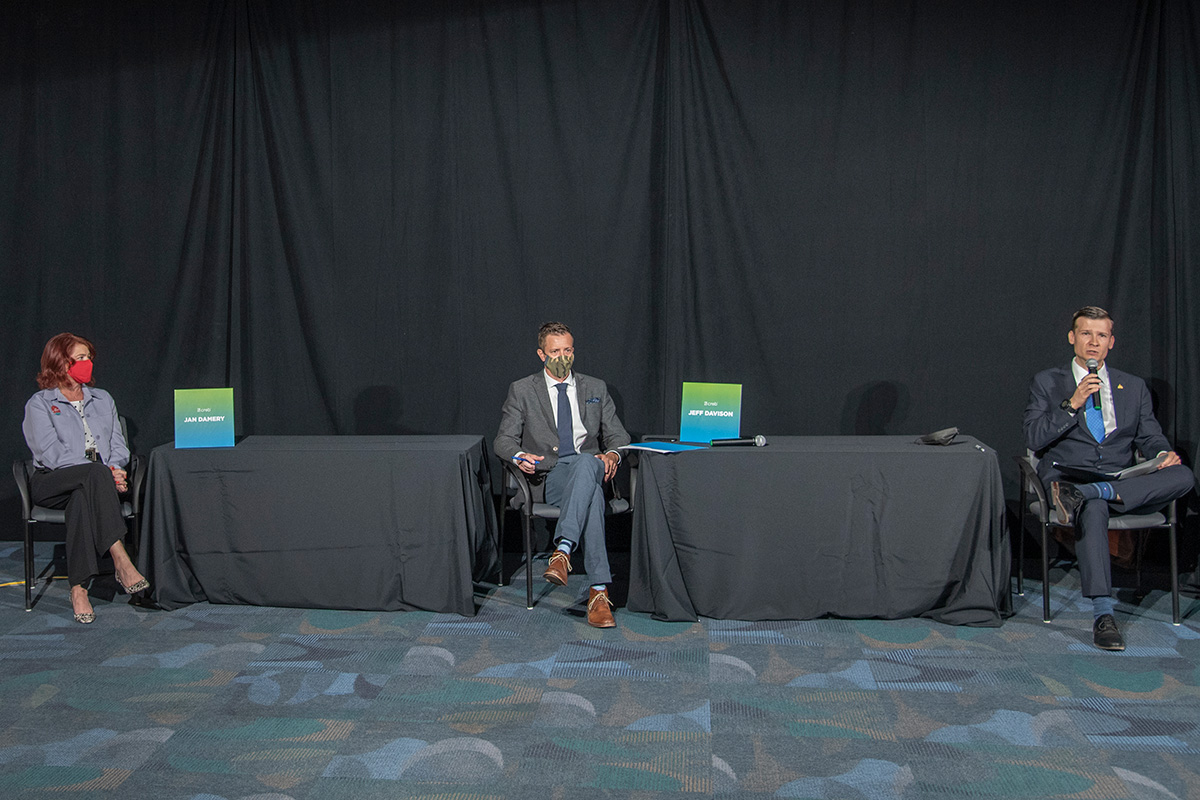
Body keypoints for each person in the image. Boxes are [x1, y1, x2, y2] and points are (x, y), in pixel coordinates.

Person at [1024, 306, 1192, 651]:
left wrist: (1162, 454)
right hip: (1068, 474)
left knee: (1183, 475)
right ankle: (1103, 613)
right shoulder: (1048, 381)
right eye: (1086, 334)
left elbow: (1150, 436)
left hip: (1119, 478)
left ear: (1111, 342)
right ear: (1073, 338)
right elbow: (1034, 438)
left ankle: (1091, 491)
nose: (1093, 342)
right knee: (1094, 508)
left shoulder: (1132, 386)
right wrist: (1072, 403)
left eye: (1101, 336)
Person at [494, 322, 631, 628]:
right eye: (555, 351)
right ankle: (598, 594)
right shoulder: (523, 390)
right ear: (542, 354)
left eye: (567, 350)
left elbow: (619, 437)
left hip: (592, 466)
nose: (563, 356)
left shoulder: (595, 388)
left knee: (586, 463)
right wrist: (519, 456)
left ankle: (563, 550)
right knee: (592, 497)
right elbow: (503, 440)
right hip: (553, 476)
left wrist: (612, 454)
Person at [22, 333, 149, 623]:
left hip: (94, 482)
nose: (86, 363)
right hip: (52, 481)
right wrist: (104, 473)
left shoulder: (103, 399)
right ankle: (121, 558)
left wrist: (115, 467)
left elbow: (118, 445)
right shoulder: (40, 403)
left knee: (82, 498)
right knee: (91, 474)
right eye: (79, 358)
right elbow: (51, 453)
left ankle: (78, 589)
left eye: (88, 357)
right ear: (59, 363)